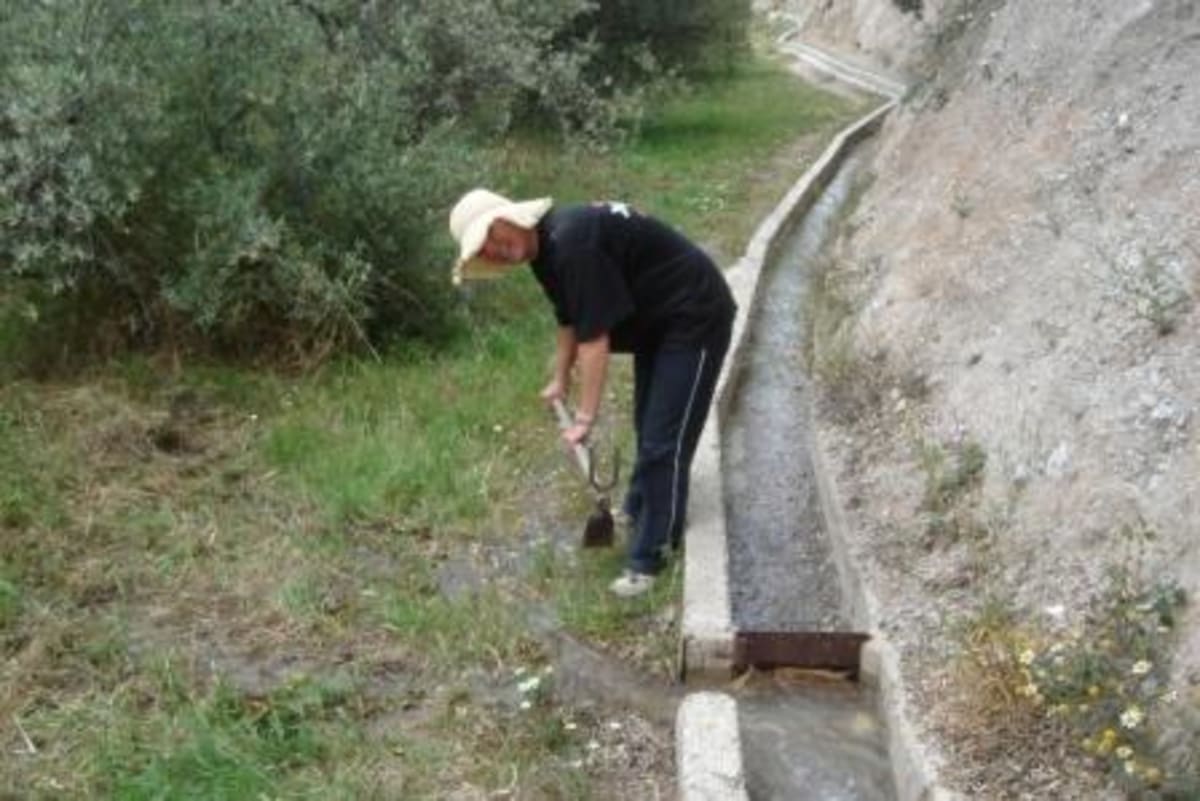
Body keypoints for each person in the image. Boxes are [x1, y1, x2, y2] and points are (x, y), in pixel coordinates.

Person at [448, 188, 736, 597]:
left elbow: (594, 338)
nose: (495, 251)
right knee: (649, 426)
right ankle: (642, 511)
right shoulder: (547, 249)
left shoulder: (572, 244)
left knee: (664, 442)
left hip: (695, 317)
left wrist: (585, 416)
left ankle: (650, 557)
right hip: (660, 324)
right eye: (484, 250)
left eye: (493, 236)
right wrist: (560, 378)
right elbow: (569, 318)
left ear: (510, 218)